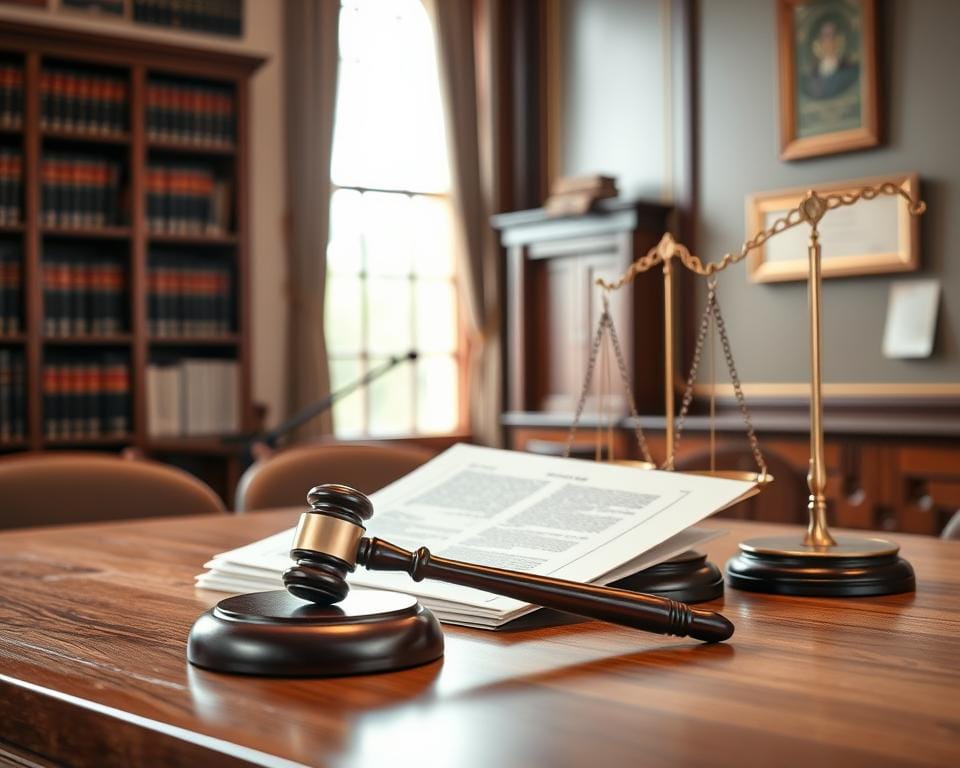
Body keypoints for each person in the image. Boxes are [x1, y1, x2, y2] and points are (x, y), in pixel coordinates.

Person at [802, 16, 859, 100]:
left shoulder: (851, 69)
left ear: (839, 39)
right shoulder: (812, 75)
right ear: (819, 42)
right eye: (825, 36)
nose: (829, 41)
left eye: (833, 36)